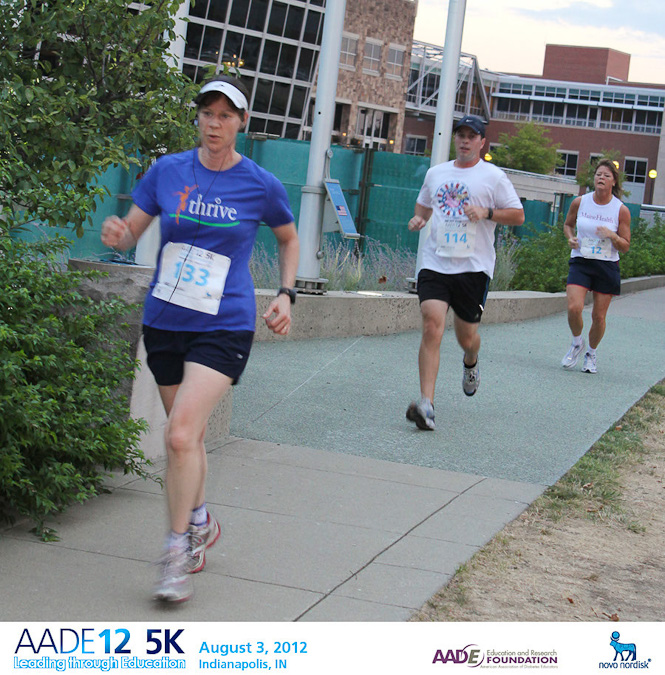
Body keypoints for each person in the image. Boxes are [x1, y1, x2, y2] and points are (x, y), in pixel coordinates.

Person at [101, 75, 299, 602]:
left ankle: (175, 555)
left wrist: (285, 294)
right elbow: (134, 228)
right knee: (186, 436)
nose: (214, 124)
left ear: (242, 123)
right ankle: (201, 519)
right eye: (207, 114)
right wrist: (120, 233)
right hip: (166, 319)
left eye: (225, 116)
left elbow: (288, 237)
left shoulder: (260, 184)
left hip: (224, 322)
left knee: (179, 435)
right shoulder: (168, 170)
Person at [406, 115, 524, 431]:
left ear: (482, 142)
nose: (465, 140)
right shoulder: (436, 173)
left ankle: (470, 360)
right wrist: (419, 220)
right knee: (432, 323)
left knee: (466, 337)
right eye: (461, 135)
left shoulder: (494, 177)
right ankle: (426, 404)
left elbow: (518, 215)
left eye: (472, 136)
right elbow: (424, 207)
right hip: (436, 262)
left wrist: (487, 212)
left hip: (473, 267)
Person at [560, 158, 631, 374]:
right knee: (574, 307)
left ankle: (591, 353)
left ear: (613, 182)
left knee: (598, 317)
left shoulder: (620, 210)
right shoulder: (580, 202)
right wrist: (570, 238)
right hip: (581, 260)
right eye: (598, 174)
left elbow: (625, 246)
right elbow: (568, 225)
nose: (601, 178)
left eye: (606, 175)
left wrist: (612, 235)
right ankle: (576, 343)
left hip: (606, 265)